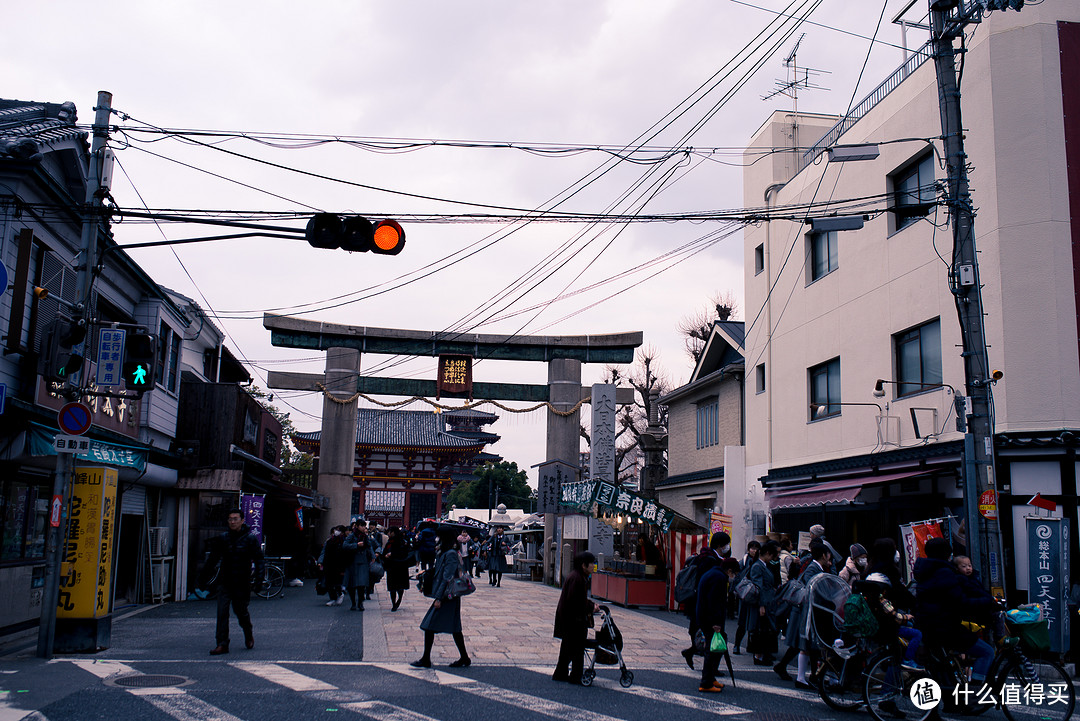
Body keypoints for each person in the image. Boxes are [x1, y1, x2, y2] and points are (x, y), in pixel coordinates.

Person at [914, 537, 998, 688]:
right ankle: (974, 692)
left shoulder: (926, 570)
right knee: (986, 652)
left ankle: (953, 700)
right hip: (944, 627)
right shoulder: (944, 573)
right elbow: (959, 602)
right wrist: (986, 603)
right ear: (947, 554)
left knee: (943, 666)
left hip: (927, 625)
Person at [197, 508, 264, 655]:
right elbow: (213, 559)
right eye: (230, 519)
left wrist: (259, 581)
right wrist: (202, 578)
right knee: (222, 612)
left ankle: (248, 632)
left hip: (242, 582)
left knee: (241, 612)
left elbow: (259, 560)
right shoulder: (223, 538)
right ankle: (222, 643)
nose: (232, 522)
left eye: (235, 519)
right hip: (225, 581)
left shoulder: (250, 539)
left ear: (242, 520)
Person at [411, 527, 471, 668]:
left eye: (438, 536)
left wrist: (438, 598)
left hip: (446, 596)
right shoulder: (444, 552)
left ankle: (426, 659)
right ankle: (464, 657)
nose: (436, 539)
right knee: (454, 628)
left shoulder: (450, 553)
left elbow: (447, 577)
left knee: (429, 625)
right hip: (447, 596)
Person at [774, 541, 832, 688]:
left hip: (805, 610)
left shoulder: (814, 566)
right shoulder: (814, 568)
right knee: (805, 643)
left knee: (805, 644)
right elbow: (812, 588)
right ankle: (807, 676)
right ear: (824, 555)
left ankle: (809, 674)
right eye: (828, 553)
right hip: (804, 610)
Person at [681, 531, 730, 670]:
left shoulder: (708, 556)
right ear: (720, 545)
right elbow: (708, 586)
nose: (728, 547)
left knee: (706, 636)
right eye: (726, 544)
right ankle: (710, 672)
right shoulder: (710, 560)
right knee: (713, 637)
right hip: (705, 604)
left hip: (699, 603)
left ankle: (695, 656)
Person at [552, 551, 599, 685]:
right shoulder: (577, 579)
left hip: (569, 619)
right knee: (577, 648)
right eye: (592, 563)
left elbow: (579, 599)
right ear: (584, 565)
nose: (593, 566)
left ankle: (561, 673)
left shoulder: (577, 576)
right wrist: (590, 607)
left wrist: (590, 605)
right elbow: (575, 601)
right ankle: (575, 676)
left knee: (568, 648)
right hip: (573, 620)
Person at [695, 556, 740, 693]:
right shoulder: (718, 578)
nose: (734, 577)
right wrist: (716, 622)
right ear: (729, 570)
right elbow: (714, 602)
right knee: (712, 650)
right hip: (710, 619)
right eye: (734, 574)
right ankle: (706, 682)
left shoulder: (714, 573)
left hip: (705, 616)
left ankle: (710, 677)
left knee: (716, 647)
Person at [746, 540, 780, 667]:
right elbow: (758, 587)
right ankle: (758, 656)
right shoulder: (757, 566)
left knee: (765, 630)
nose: (772, 558)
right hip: (763, 603)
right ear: (766, 553)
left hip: (767, 601)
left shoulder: (762, 565)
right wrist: (761, 604)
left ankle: (761, 655)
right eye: (771, 555)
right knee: (761, 631)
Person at [731, 540, 761, 654]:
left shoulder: (759, 561)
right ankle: (736, 645)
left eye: (756, 548)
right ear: (748, 550)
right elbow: (737, 576)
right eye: (752, 548)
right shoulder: (743, 561)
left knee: (753, 622)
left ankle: (750, 645)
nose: (754, 550)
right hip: (744, 595)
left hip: (754, 596)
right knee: (742, 622)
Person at [343, 521, 373, 610]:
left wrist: (373, 555)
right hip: (353, 562)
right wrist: (356, 545)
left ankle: (360, 603)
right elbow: (345, 545)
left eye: (364, 526)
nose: (364, 528)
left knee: (361, 584)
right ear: (357, 526)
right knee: (352, 584)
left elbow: (369, 546)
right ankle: (353, 603)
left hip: (363, 562)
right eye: (362, 526)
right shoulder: (352, 536)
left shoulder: (365, 536)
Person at [382, 526, 411, 612]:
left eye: (390, 532)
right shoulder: (389, 542)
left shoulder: (402, 542)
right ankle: (394, 603)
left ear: (393, 532)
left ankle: (398, 600)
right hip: (391, 567)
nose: (388, 534)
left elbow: (404, 553)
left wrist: (392, 554)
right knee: (392, 587)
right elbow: (384, 553)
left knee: (399, 586)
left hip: (400, 567)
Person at [318, 525, 348, 606]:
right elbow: (324, 552)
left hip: (338, 565)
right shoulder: (329, 541)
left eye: (338, 530)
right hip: (328, 564)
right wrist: (321, 562)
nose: (336, 532)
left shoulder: (343, 542)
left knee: (337, 582)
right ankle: (332, 598)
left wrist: (343, 568)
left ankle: (340, 594)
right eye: (336, 530)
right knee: (329, 583)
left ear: (342, 532)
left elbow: (344, 556)